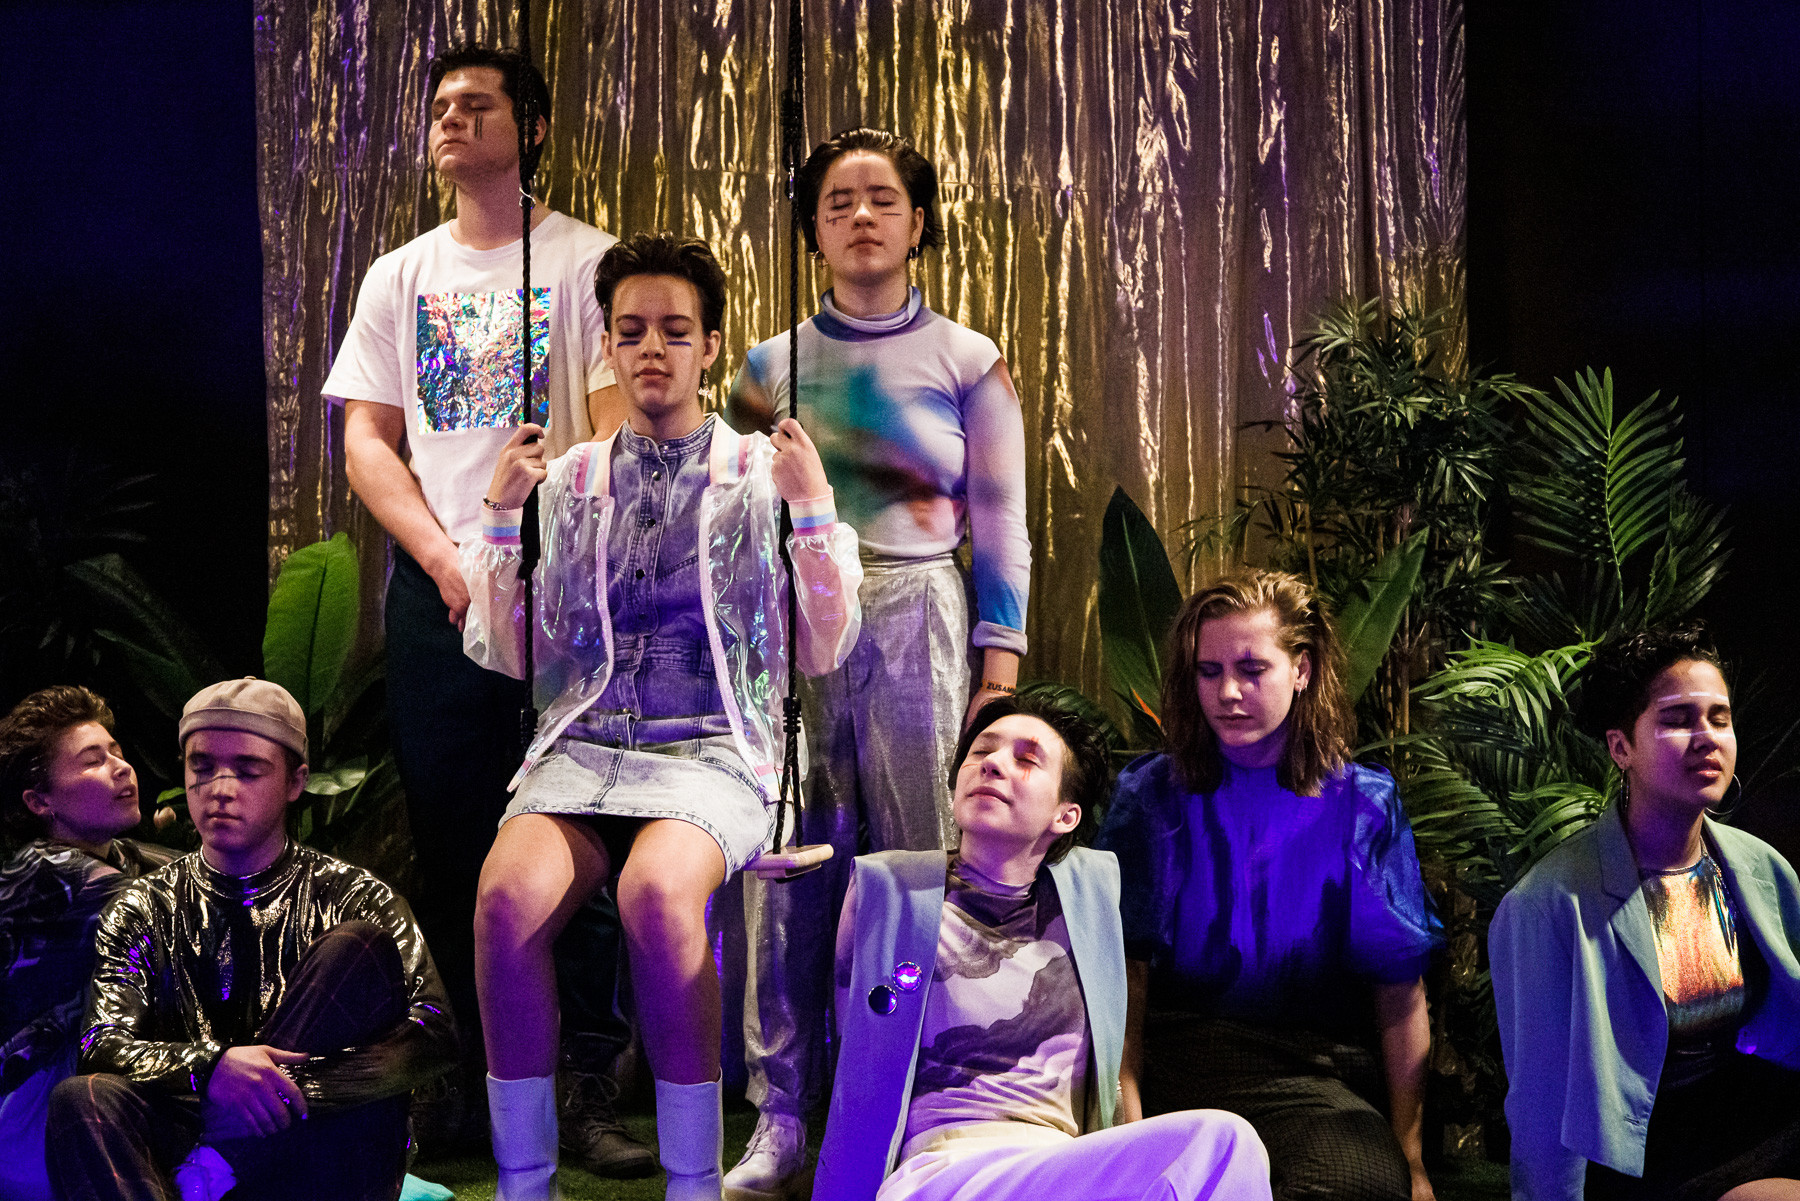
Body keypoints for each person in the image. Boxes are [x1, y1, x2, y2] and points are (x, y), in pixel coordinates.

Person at [461, 232, 863, 1201]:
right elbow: (513, 654)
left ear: (710, 346)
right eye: (632, 329)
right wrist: (502, 516)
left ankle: (691, 1184)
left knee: (655, 893)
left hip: (715, 746)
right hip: (586, 740)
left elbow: (822, 648)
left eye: (675, 331)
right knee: (505, 902)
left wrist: (812, 511)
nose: (652, 349)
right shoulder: (572, 481)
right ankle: (524, 1182)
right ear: (607, 344)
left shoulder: (760, 475)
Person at [330, 42, 648, 1173]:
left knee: (583, 824)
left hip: (562, 580)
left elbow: (613, 427)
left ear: (535, 127)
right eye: (441, 108)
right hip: (439, 586)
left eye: (478, 104)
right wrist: (445, 556)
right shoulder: (398, 274)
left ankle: (587, 1086)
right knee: (455, 831)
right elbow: (368, 439)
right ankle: (474, 1082)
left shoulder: (586, 260)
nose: (452, 121)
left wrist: (536, 544)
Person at [726, 126, 1033, 1198]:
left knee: (919, 861)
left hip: (921, 612)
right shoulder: (766, 368)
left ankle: (916, 1100)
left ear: (919, 223)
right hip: (795, 623)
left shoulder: (968, 359)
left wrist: (999, 659)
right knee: (790, 864)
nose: (861, 216)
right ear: (812, 230)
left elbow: (1001, 516)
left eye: (883, 199)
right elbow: (733, 517)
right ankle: (781, 1116)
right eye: (838, 202)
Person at [812, 693, 1272, 1201]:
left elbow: (1116, 1075)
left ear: (1066, 816)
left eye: (1026, 759)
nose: (993, 763)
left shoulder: (1088, 905)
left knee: (1229, 1144)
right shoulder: (893, 893)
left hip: (1066, 1165)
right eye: (981, 751)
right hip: (947, 1168)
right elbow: (853, 1060)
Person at [1096, 569, 1442, 1201]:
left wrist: (1412, 1158)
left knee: (1360, 1184)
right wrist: (1127, 1125)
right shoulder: (1150, 796)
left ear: (1302, 669)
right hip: (1178, 1060)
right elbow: (1123, 980)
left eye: (1252, 670)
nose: (1227, 692)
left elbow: (1400, 991)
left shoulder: (1361, 804)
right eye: (1208, 671)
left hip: (1310, 1073)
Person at [43, 677, 459, 1201]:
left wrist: (270, 1096)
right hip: (188, 1149)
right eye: (202, 768)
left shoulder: (354, 894)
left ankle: (221, 1161)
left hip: (314, 1147)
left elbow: (434, 1032)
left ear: (295, 781)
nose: (220, 788)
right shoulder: (143, 906)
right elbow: (101, 1044)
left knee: (357, 948)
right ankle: (214, 1161)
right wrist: (212, 1070)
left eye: (247, 770)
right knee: (81, 1098)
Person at [1490, 626, 1800, 1201]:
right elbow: (1540, 1104)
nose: (1706, 738)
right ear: (1620, 748)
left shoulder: (1762, 868)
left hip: (1754, 1117)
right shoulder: (1548, 905)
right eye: (1678, 719)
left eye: (1719, 718)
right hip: (1644, 1157)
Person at [0, 686, 176, 1201]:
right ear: (40, 802)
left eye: (117, 752)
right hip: (29, 1109)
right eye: (93, 761)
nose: (121, 768)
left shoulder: (124, 854)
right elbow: (184, 909)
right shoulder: (41, 871)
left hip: (89, 1088)